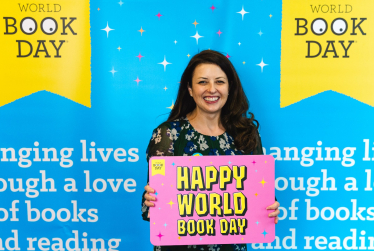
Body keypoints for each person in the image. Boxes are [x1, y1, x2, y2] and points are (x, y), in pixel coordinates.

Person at [141, 50, 280, 251]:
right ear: (189, 88)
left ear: (230, 87)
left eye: (220, 82)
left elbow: (259, 195)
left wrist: (270, 206)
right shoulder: (168, 134)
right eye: (203, 82)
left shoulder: (246, 134)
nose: (212, 89)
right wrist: (151, 201)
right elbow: (151, 210)